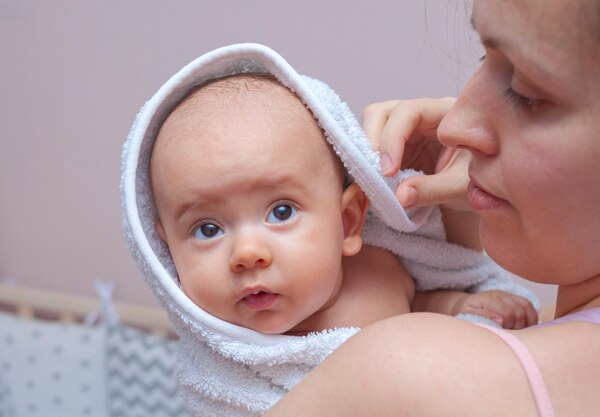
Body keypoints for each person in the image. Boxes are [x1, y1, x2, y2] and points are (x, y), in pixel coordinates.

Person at [264, 0, 600, 416]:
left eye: (526, 91)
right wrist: (457, 223)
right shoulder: (531, 331)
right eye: (483, 56)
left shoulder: (407, 375)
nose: (454, 125)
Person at [149, 73, 537, 335]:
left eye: (281, 212)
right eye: (207, 229)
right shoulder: (231, 365)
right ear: (167, 253)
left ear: (349, 223)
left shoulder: (381, 272)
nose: (247, 254)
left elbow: (418, 303)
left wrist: (460, 307)